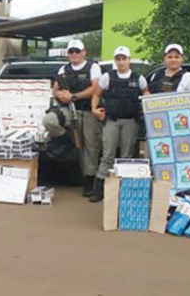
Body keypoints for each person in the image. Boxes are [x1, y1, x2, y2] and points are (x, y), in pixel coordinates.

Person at [41, 39, 104, 197]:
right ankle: (67, 138)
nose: (74, 54)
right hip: (68, 110)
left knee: (91, 147)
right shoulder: (64, 68)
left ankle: (89, 181)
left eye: (77, 51)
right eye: (71, 51)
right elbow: (55, 89)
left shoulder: (93, 67)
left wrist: (73, 96)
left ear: (84, 52)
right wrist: (60, 94)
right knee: (49, 121)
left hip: (88, 110)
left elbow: (95, 88)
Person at [89, 46, 149, 202]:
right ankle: (99, 190)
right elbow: (96, 94)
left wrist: (146, 110)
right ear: (115, 61)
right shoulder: (107, 77)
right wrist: (95, 110)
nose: (121, 62)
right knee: (107, 154)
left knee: (126, 156)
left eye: (124, 59)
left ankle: (125, 190)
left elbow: (147, 94)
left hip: (131, 122)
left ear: (129, 60)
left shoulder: (138, 78)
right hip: (112, 121)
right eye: (118, 59)